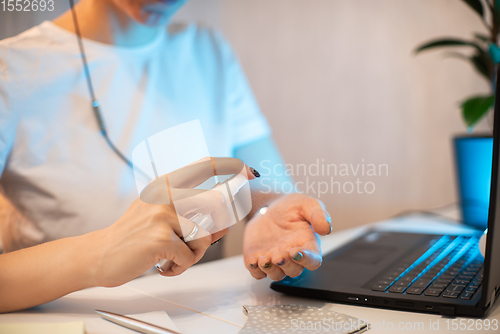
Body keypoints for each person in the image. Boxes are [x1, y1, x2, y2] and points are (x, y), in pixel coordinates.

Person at [0, 0, 333, 313]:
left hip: (201, 315)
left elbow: (264, 188)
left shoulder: (206, 50)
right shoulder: (12, 68)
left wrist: (269, 212)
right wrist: (101, 254)